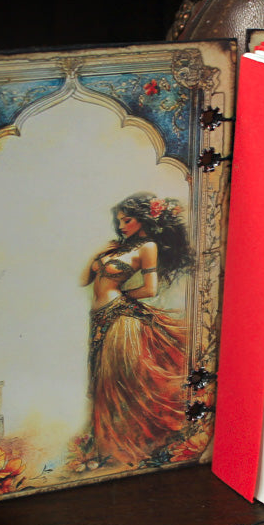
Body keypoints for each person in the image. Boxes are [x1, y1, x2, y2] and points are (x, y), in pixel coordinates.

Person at [79, 193, 192, 466]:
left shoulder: (148, 246)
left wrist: (122, 299)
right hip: (99, 318)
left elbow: (150, 289)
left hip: (121, 319)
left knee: (120, 379)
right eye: (119, 221)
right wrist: (97, 254)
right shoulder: (117, 248)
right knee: (102, 380)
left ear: (143, 220)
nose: (121, 226)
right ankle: (107, 447)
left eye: (127, 220)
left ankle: (127, 446)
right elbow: (84, 280)